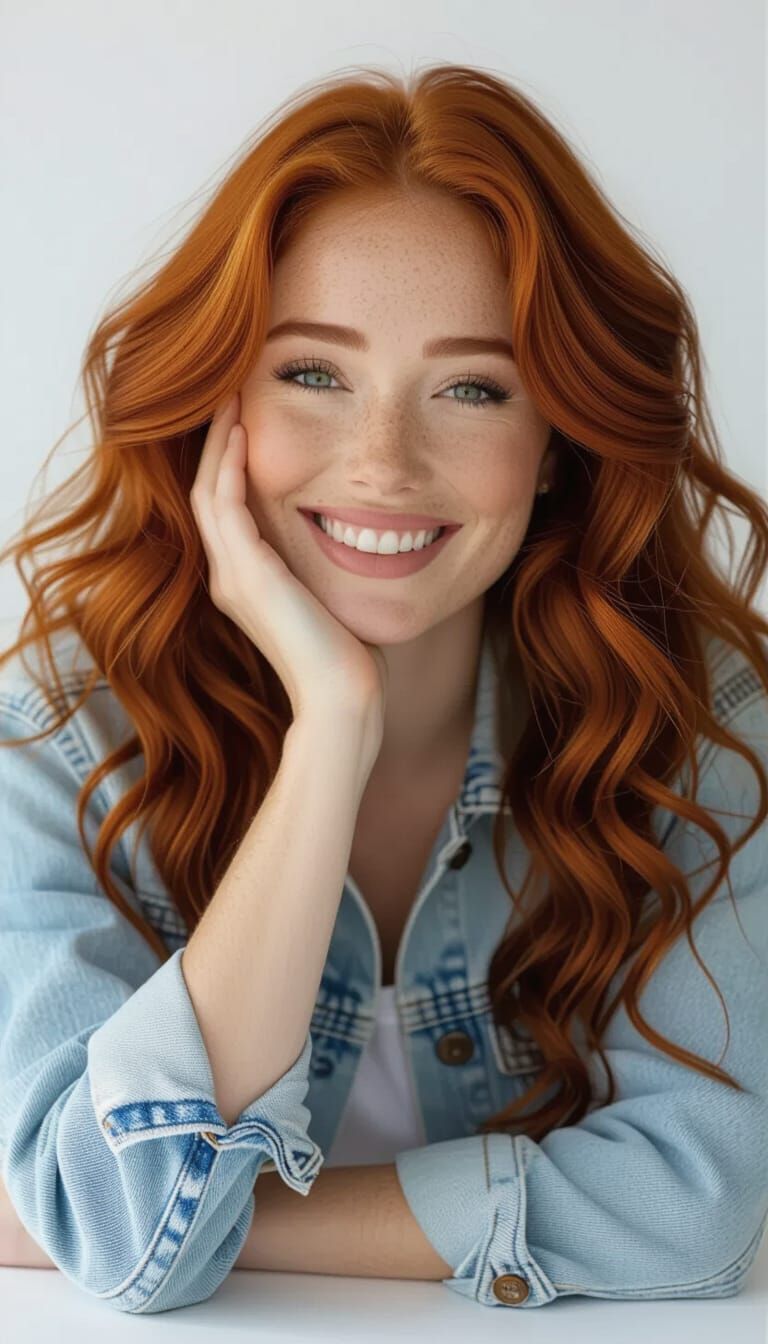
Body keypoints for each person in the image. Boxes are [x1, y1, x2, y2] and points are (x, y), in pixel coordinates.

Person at [0, 62, 766, 1314]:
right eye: (314, 372)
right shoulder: (61, 730)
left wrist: (235, 1215)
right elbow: (135, 1237)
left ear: (559, 435)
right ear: (219, 401)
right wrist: (331, 727)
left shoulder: (693, 727)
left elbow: (693, 1211)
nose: (383, 464)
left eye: (471, 387)